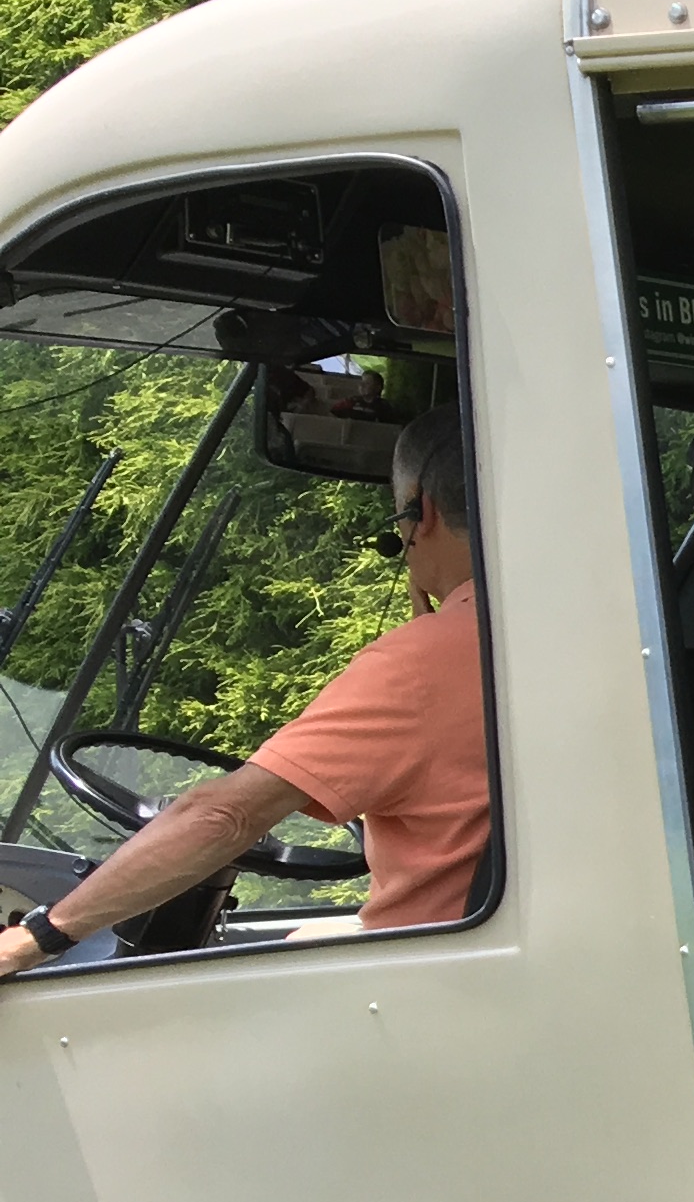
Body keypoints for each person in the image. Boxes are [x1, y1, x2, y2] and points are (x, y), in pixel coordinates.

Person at [0, 407, 489, 980]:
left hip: (429, 984)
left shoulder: (427, 662)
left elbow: (228, 816)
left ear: (420, 513)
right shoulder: (547, 634)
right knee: (309, 933)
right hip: (471, 963)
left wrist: (34, 938)